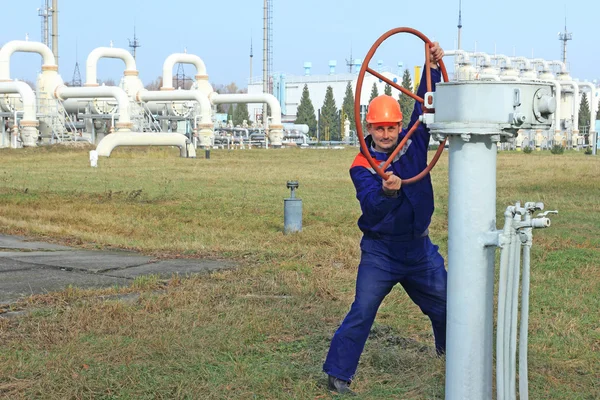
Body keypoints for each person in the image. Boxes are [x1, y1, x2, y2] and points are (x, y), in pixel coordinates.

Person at [323, 42, 447, 395]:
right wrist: (388, 192)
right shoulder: (362, 165)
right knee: (362, 310)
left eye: (392, 127)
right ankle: (338, 373)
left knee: (447, 302)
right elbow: (371, 206)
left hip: (419, 249)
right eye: (379, 129)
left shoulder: (414, 140)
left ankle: (448, 350)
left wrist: (432, 66)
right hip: (381, 252)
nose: (387, 134)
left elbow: (426, 102)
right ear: (368, 129)